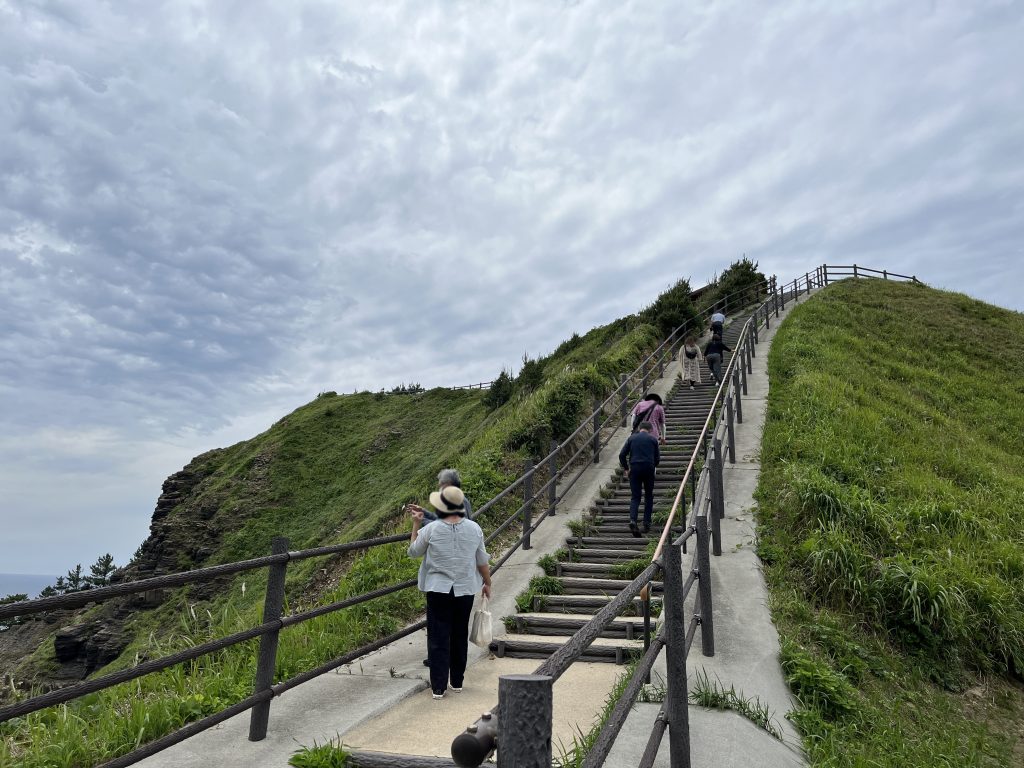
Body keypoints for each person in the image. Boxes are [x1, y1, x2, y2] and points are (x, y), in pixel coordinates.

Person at [408, 485, 492, 700]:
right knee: (459, 634)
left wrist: (417, 522)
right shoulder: (475, 529)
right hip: (464, 589)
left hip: (438, 589)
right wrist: (487, 582)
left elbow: (413, 552)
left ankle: (438, 687)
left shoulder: (431, 529)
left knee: (438, 636)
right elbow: (482, 561)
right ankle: (457, 681)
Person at [407, 469, 475, 667]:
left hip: (446, 575)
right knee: (453, 623)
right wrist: (424, 514)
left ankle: (439, 660)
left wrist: (419, 521)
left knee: (441, 623)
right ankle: (449, 661)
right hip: (460, 576)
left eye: (440, 485)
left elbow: (448, 528)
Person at [618, 421, 661, 536]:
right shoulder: (653, 440)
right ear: (650, 430)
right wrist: (653, 465)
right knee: (648, 496)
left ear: (640, 428)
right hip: (649, 468)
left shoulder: (632, 438)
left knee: (635, 497)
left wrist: (627, 468)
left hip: (635, 468)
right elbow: (657, 459)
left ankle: (633, 520)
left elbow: (622, 455)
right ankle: (646, 523)